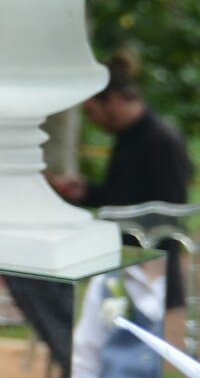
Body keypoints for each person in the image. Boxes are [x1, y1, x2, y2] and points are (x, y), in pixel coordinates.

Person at [52, 50, 192, 309]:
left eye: (92, 112)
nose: (93, 121)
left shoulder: (162, 140)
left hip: (147, 268)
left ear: (113, 101)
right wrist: (86, 192)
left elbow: (169, 214)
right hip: (122, 261)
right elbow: (120, 197)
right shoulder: (126, 137)